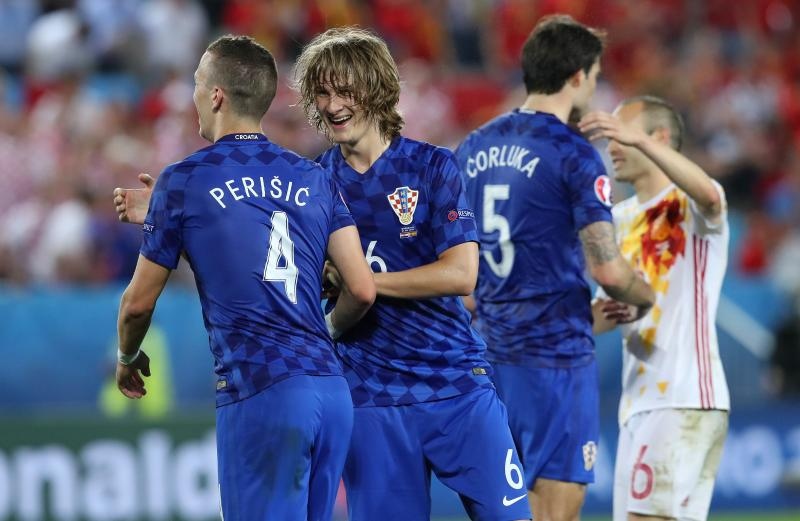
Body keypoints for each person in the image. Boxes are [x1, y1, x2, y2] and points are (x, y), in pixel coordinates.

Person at [116, 27, 529, 521]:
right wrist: (164, 209)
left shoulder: (431, 166)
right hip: (369, 396)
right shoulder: (313, 179)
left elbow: (462, 275)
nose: (332, 105)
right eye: (322, 93)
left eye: (345, 91)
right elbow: (250, 243)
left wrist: (369, 286)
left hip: (457, 384)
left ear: (376, 90)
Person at [114, 35, 375, 521]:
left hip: (260, 391)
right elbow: (361, 288)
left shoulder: (186, 178)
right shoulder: (315, 176)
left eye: (196, 84)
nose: (193, 95)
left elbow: (136, 304)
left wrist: (127, 356)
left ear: (216, 96)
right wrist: (329, 331)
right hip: (330, 392)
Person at [453, 15, 655, 521]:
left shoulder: (471, 148)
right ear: (578, 76)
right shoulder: (575, 154)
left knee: (501, 507)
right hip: (554, 360)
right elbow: (608, 271)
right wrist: (644, 294)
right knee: (556, 509)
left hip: (487, 353)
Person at [579, 95, 730, 521]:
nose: (612, 146)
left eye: (621, 134)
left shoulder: (690, 204)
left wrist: (638, 141)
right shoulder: (618, 219)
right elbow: (603, 312)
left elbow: (712, 196)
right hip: (638, 403)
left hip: (685, 395)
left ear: (658, 138)